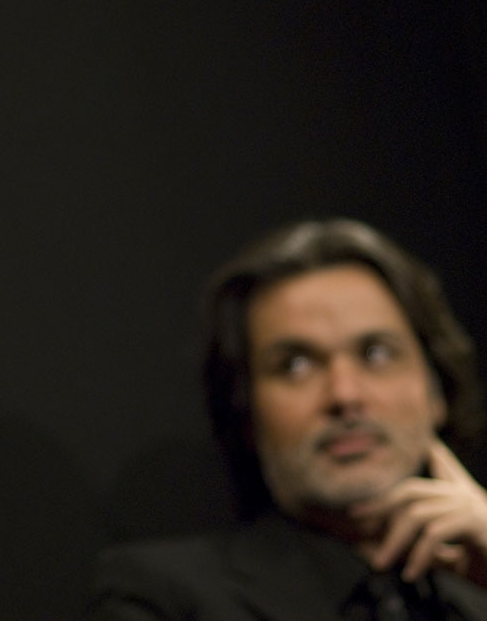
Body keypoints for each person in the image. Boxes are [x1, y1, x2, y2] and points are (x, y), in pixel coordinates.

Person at [89, 218, 487, 619]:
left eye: (377, 354)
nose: (344, 395)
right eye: (295, 366)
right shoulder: (159, 597)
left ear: (437, 391)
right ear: (245, 411)